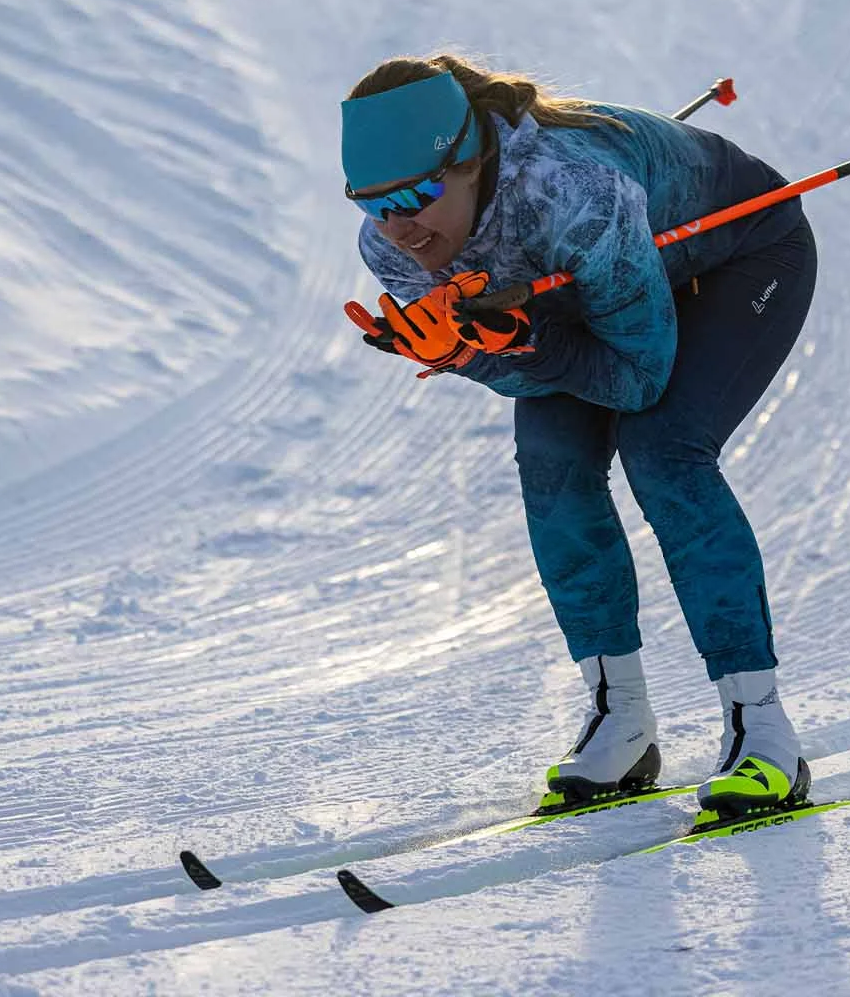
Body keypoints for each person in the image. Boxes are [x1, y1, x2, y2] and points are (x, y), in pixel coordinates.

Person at [338, 54, 817, 827]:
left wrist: (511, 344)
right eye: (374, 203)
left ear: (469, 164)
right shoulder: (391, 249)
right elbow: (525, 362)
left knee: (664, 453)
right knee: (553, 469)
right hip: (591, 292)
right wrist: (472, 354)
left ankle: (764, 734)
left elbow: (638, 379)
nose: (401, 226)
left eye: (418, 195)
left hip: (737, 254)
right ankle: (621, 722)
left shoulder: (574, 195)